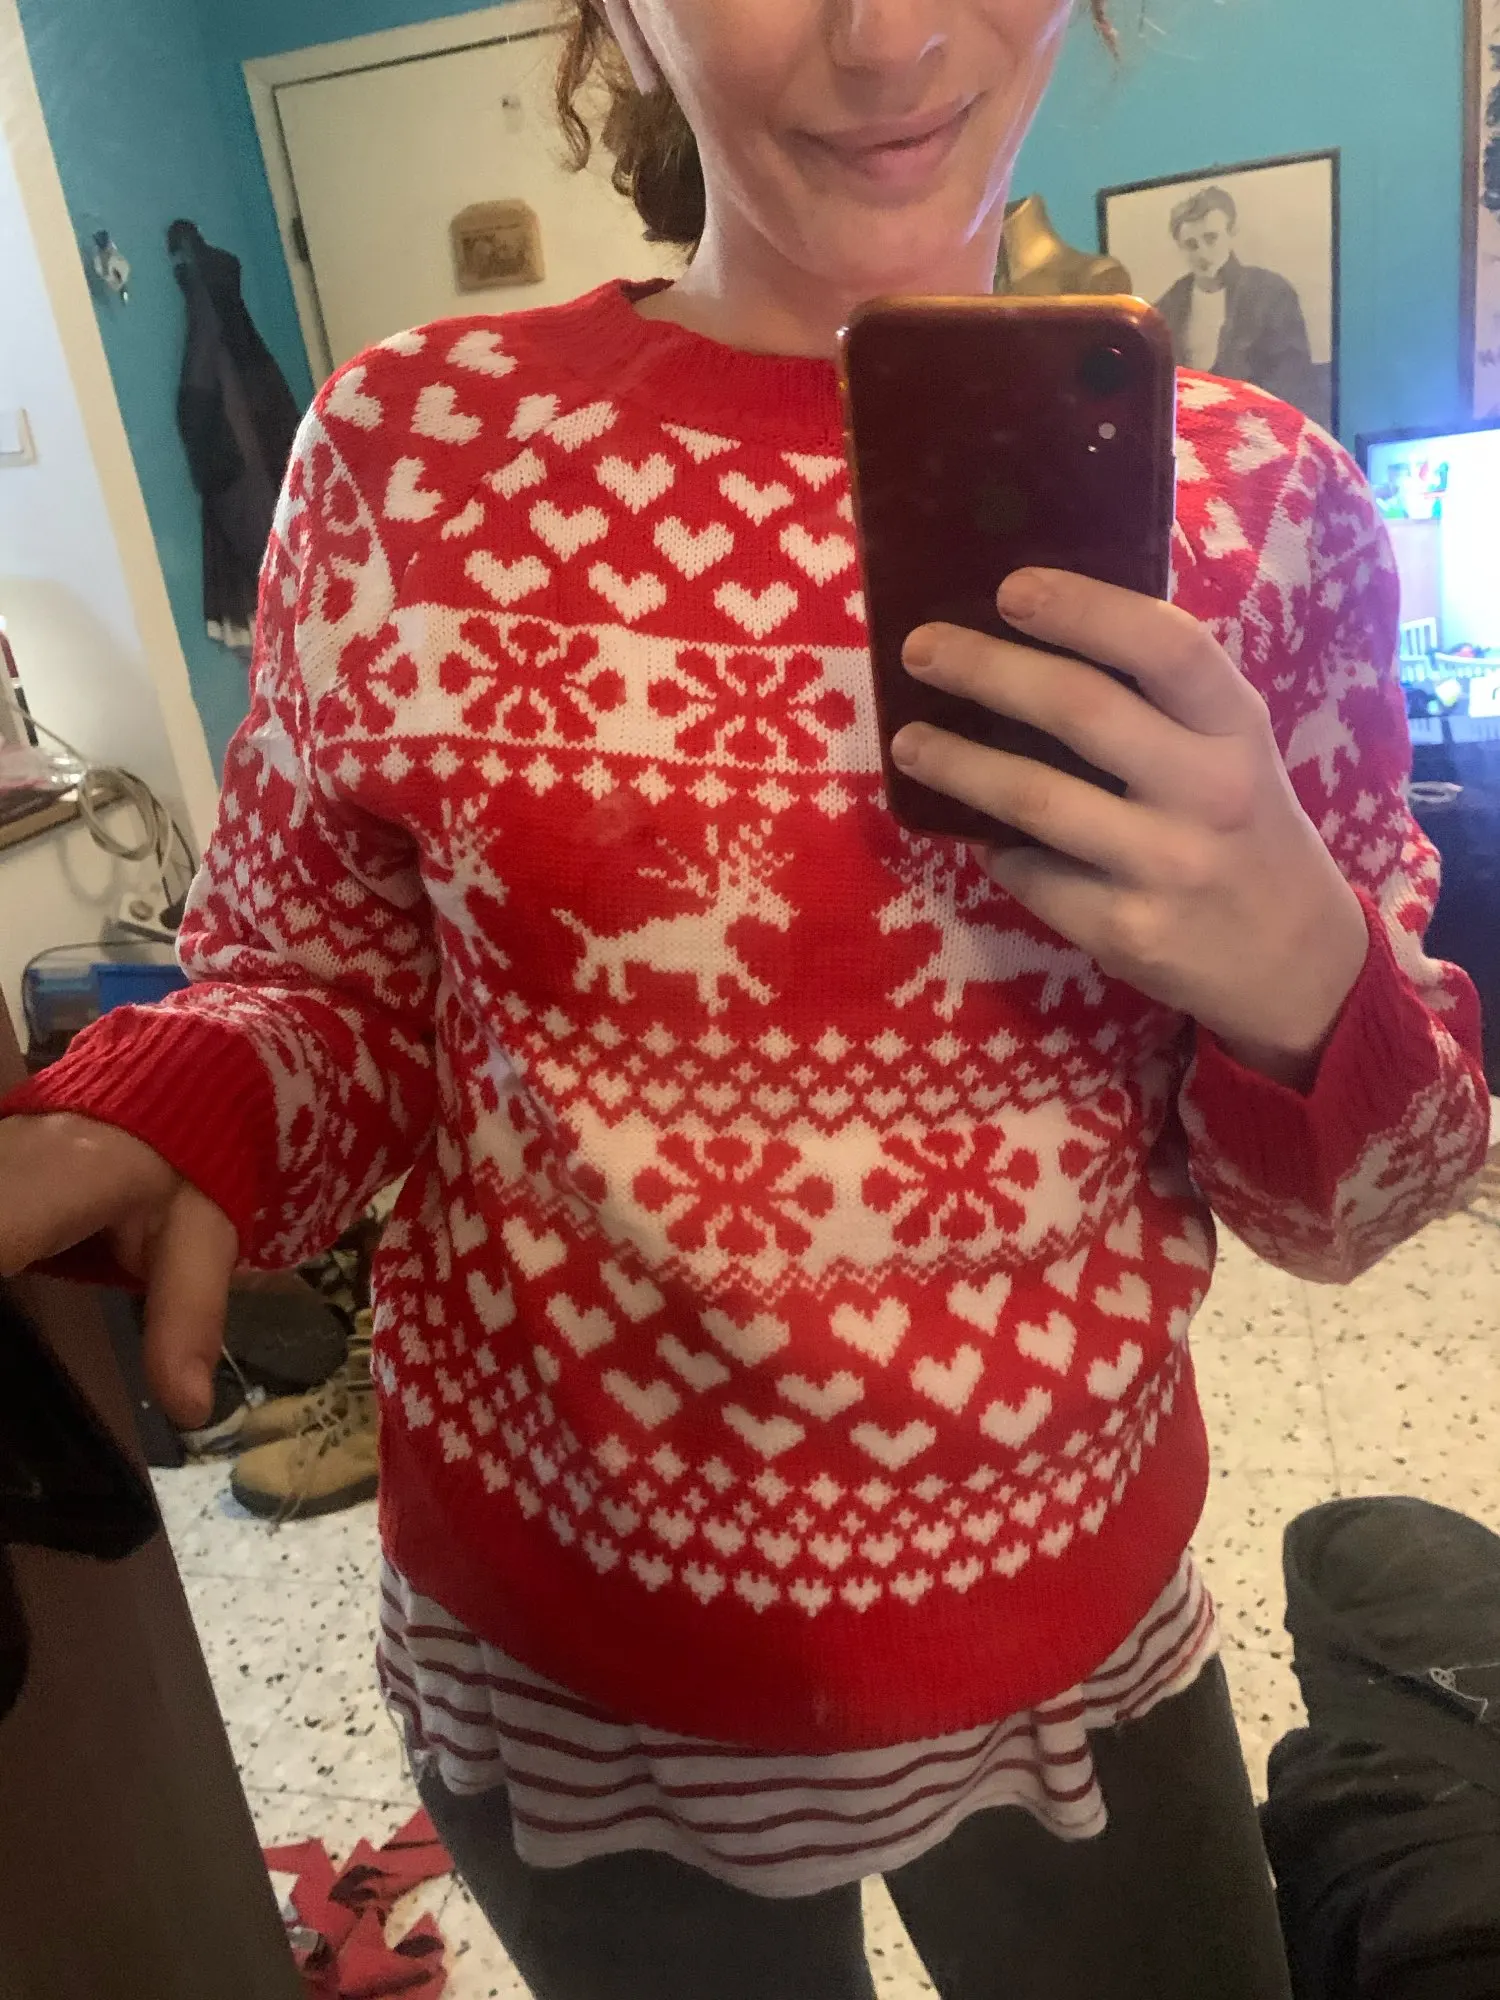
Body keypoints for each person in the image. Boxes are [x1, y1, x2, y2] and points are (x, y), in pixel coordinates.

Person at [0, 3, 1488, 1995]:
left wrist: (1307, 979)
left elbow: (1365, 1204)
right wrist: (187, 1084)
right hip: (568, 1654)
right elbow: (318, 990)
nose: (888, 36)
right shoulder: (406, 455)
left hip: (1077, 1638)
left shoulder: (1272, 515)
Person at [1153, 185, 1322, 420]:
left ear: (1231, 233)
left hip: (1257, 427)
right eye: (1191, 244)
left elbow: (1292, 383)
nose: (1203, 254)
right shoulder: (1165, 308)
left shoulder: (1272, 294)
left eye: (1211, 238)